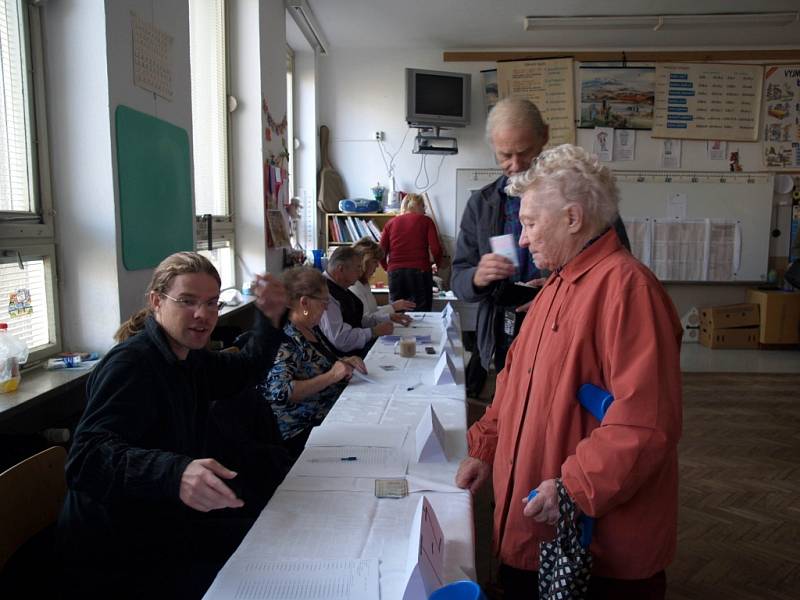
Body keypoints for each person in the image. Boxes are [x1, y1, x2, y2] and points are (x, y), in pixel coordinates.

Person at [455, 145, 683, 600]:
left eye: (531, 223)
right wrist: (485, 448)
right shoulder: (556, 285)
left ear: (573, 218)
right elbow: (513, 384)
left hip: (595, 551)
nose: (522, 239)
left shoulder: (628, 290)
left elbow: (644, 424)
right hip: (538, 530)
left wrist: (573, 489)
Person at [58, 252, 289, 599]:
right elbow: (85, 458)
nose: (204, 315)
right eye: (187, 301)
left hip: (162, 518)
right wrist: (175, 472)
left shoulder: (186, 355)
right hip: (117, 548)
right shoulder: (131, 365)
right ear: (156, 301)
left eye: (212, 303)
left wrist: (269, 319)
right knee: (267, 564)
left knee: (278, 532)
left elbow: (242, 370)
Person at [451, 97, 548, 395]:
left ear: (544, 137)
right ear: (492, 145)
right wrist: (477, 277)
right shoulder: (481, 205)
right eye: (505, 155)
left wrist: (558, 292)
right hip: (500, 331)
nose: (515, 165)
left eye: (525, 153)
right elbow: (459, 281)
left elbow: (609, 269)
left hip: (558, 328)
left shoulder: (575, 196)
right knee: (506, 410)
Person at [261, 266, 367, 456]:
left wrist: (344, 361)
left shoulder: (310, 328)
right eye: (324, 301)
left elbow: (320, 365)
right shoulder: (285, 338)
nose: (327, 307)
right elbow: (280, 392)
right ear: (304, 302)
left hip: (330, 414)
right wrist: (332, 376)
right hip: (302, 430)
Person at [319, 245, 393, 354]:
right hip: (342, 357)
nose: (360, 272)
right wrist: (373, 332)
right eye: (358, 267)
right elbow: (340, 340)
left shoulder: (341, 287)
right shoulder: (325, 294)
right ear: (341, 269)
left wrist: (385, 318)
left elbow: (355, 320)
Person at [379, 193, 443, 311]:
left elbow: (380, 251)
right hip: (420, 272)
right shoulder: (426, 221)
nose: (425, 210)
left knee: (397, 313)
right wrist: (437, 264)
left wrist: (387, 268)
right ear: (417, 205)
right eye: (423, 206)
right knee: (422, 315)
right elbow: (436, 249)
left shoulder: (390, 223)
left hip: (395, 274)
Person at [350, 237, 415, 326]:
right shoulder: (353, 286)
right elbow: (366, 320)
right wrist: (393, 308)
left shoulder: (363, 283)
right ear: (364, 262)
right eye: (374, 262)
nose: (377, 266)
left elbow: (373, 312)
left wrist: (393, 308)